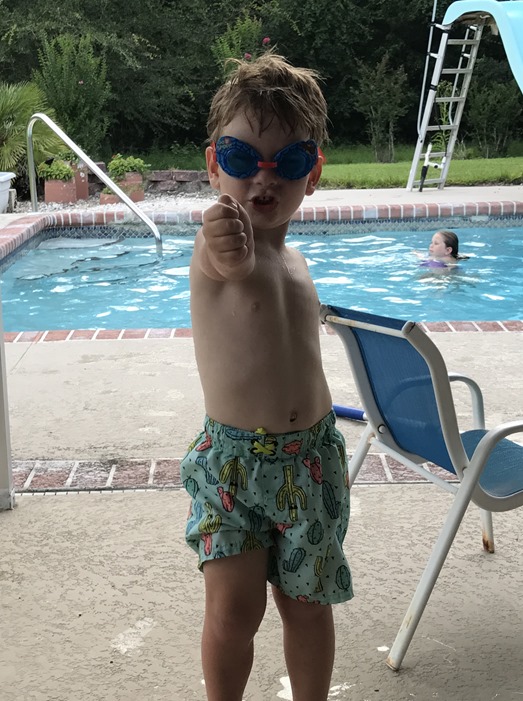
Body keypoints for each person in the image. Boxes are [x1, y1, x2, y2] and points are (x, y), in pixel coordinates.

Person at [180, 53, 352, 701]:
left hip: (312, 460)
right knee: (233, 612)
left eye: (289, 160)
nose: (264, 175)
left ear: (313, 172)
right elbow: (223, 256)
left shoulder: (297, 263)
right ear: (213, 165)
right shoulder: (221, 247)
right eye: (241, 155)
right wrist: (221, 237)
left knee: (308, 606)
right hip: (232, 467)